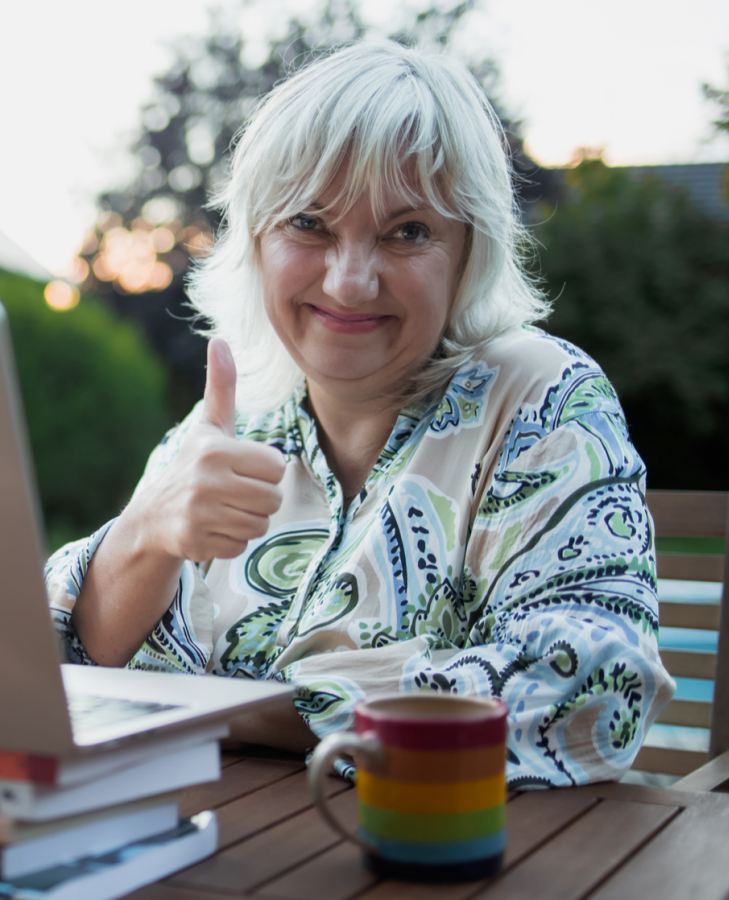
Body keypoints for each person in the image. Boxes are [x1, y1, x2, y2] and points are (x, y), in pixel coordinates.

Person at [45, 40, 675, 789]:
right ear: (255, 241)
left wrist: (256, 709)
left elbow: (595, 679)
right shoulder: (230, 421)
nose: (348, 282)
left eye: (407, 231)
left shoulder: (542, 397)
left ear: (468, 251)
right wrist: (145, 535)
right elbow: (62, 666)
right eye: (308, 223)